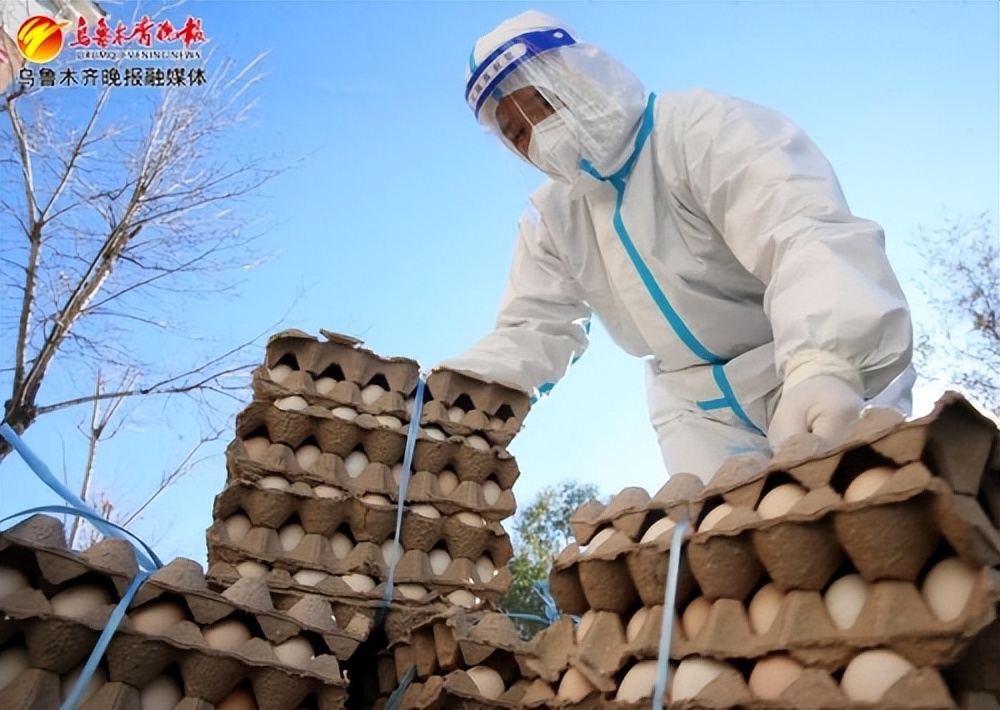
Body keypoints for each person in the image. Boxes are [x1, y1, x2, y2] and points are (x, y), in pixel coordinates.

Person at [437, 10, 915, 482]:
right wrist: (451, 391)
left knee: (871, 511)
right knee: (729, 542)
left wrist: (827, 361)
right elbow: (533, 328)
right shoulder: (553, 220)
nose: (536, 131)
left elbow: (801, 229)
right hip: (697, 411)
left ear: (580, 75)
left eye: (541, 100)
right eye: (517, 130)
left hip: (804, 359)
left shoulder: (696, 128)